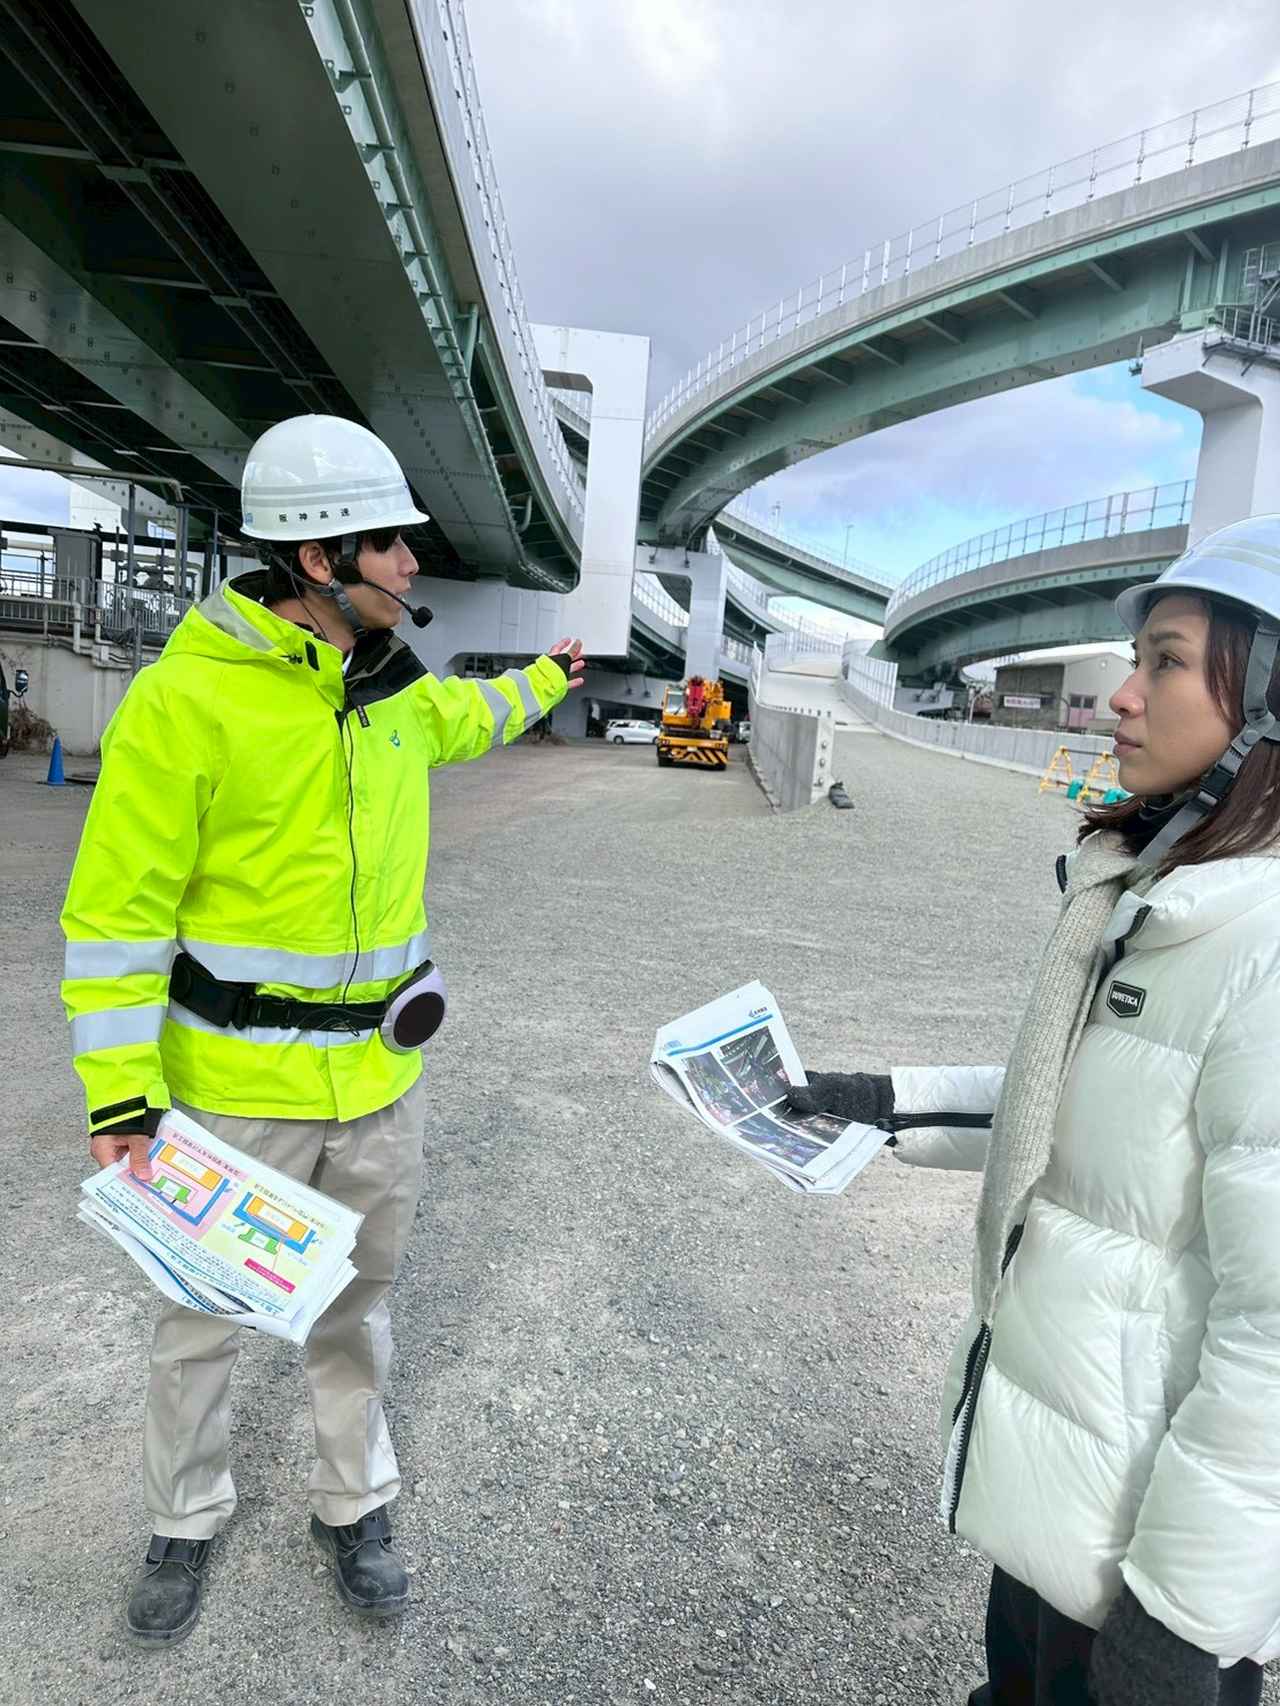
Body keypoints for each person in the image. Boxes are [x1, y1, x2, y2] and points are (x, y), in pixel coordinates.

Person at [61, 414, 585, 1644]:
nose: (412, 562)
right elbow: (116, 916)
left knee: (356, 1305)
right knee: (199, 1316)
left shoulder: (395, 697)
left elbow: (476, 715)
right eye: (390, 544)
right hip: (232, 1088)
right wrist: (120, 1093)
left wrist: (552, 679)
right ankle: (182, 1517)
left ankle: (351, 1502)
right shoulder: (184, 701)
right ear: (317, 560)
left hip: (376, 1082)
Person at [786, 516, 1280, 1704]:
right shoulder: (1167, 895)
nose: (1118, 695)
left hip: (1148, 1576)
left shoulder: (1259, 951)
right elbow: (1081, 1118)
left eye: (1162, 661)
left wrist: (1179, 1622)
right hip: (1067, 1513)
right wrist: (880, 1104)